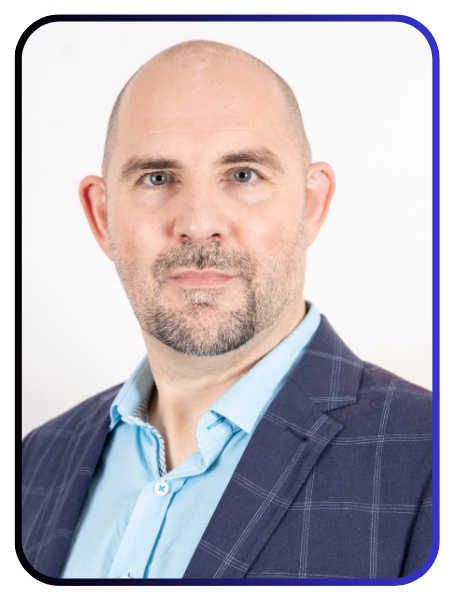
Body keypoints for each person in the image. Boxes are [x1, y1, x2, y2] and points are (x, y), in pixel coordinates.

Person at [21, 40, 432, 580]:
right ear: (102, 216)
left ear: (311, 205)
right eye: (157, 178)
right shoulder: (33, 462)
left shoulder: (428, 459)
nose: (197, 222)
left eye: (242, 174)